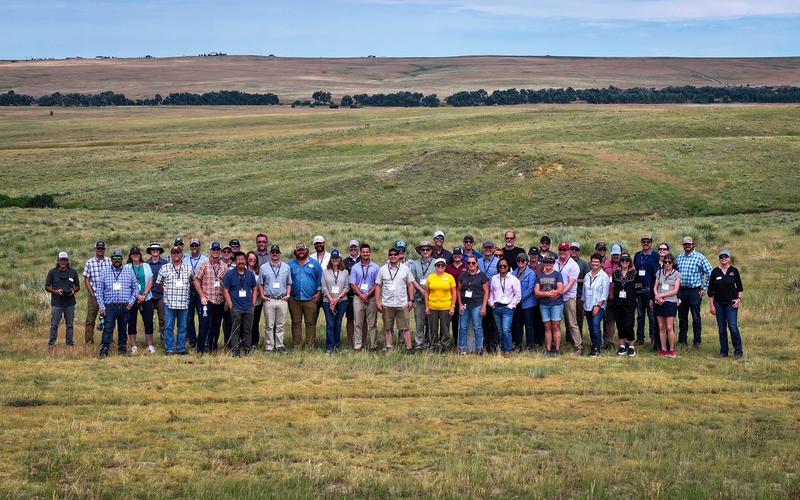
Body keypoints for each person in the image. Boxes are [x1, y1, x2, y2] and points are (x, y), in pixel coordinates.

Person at [95, 249, 139, 358]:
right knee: (108, 328)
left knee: (123, 328)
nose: (117, 260)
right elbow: (99, 291)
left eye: (119, 258)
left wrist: (131, 302)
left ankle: (122, 348)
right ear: (111, 259)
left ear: (122, 259)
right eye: (115, 258)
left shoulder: (129, 271)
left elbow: (136, 288)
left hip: (125, 306)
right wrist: (101, 306)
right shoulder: (105, 272)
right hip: (110, 307)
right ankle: (104, 349)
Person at [375, 247, 415, 352]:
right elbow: (378, 286)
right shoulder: (382, 269)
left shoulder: (405, 268)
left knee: (405, 327)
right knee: (388, 327)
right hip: (387, 303)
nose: (393, 256)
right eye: (391, 254)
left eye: (395, 254)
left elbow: (410, 284)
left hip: (402, 302)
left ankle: (409, 347)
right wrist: (378, 301)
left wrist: (411, 300)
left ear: (398, 256)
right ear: (388, 256)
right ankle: (389, 347)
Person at [156, 245, 194, 355]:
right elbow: (158, 283)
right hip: (170, 302)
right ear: (171, 255)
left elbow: (193, 282)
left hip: (183, 302)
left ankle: (181, 348)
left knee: (182, 327)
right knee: (169, 327)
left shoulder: (188, 267)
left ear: (182, 254)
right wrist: (166, 291)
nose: (176, 255)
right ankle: (170, 349)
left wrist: (186, 290)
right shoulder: (165, 268)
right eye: (174, 253)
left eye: (178, 253)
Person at [676, 236, 713, 348]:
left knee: (696, 317)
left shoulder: (700, 257)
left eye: (689, 244)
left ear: (693, 245)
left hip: (695, 291)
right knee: (682, 317)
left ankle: (697, 341)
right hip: (682, 291)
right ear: (683, 245)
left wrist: (704, 288)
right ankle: (682, 340)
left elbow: (710, 272)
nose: (687, 246)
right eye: (685, 244)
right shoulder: (679, 258)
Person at [708, 249, 744, 359]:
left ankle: (738, 351)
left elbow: (740, 288)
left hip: (731, 304)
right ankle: (724, 351)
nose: (723, 259)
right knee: (722, 328)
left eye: (725, 257)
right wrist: (711, 305)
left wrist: (738, 299)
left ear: (729, 258)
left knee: (733, 327)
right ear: (719, 259)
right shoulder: (715, 272)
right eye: (721, 257)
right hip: (718, 304)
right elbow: (710, 291)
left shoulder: (734, 271)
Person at [222, 251, 258, 356]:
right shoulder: (230, 274)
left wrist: (253, 302)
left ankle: (247, 349)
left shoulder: (250, 274)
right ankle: (235, 351)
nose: (241, 262)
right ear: (235, 261)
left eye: (242, 259)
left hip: (248, 307)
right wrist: (230, 304)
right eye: (238, 260)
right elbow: (225, 290)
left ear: (245, 261)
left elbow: (255, 289)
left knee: (248, 329)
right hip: (236, 307)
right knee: (235, 330)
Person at [194, 242, 227, 354]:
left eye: (218, 250)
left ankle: (212, 347)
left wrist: (226, 300)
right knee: (204, 324)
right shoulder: (204, 264)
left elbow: (226, 284)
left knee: (216, 326)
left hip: (220, 301)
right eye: (214, 250)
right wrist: (202, 296)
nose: (216, 252)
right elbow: (196, 280)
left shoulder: (224, 266)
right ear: (210, 251)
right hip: (207, 300)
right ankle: (200, 349)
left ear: (220, 252)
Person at [288, 242, 323, 350]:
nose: (301, 252)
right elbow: (287, 281)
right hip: (294, 299)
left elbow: (320, 279)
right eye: (299, 250)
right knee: (296, 323)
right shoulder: (290, 265)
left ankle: (310, 347)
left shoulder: (315, 264)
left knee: (310, 323)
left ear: (306, 250)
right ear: (295, 252)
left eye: (303, 250)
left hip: (311, 299)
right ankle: (297, 346)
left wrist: (319, 293)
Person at [259, 244, 292, 353]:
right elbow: (260, 284)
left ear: (280, 253)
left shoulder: (286, 267)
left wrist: (287, 295)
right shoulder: (263, 267)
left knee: (280, 325)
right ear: (270, 254)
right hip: (269, 300)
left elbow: (289, 283)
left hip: (282, 299)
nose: (275, 254)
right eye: (273, 252)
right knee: (269, 325)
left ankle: (279, 346)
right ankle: (269, 347)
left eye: (277, 252)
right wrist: (263, 296)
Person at [45, 251, 80, 350]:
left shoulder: (73, 272)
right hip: (57, 303)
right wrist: (55, 292)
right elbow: (47, 287)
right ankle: (52, 344)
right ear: (58, 260)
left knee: (69, 325)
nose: (63, 262)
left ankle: (70, 344)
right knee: (54, 325)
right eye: (61, 260)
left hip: (70, 303)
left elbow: (78, 286)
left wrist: (73, 291)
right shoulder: (52, 272)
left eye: (65, 260)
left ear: (68, 261)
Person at [349, 243, 380, 351]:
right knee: (358, 323)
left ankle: (374, 345)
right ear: (360, 253)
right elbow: (353, 284)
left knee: (372, 324)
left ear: (370, 253)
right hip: (358, 298)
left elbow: (377, 284)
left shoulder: (376, 267)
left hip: (371, 298)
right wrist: (362, 295)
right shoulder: (355, 267)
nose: (365, 254)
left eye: (367, 252)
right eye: (363, 252)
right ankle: (358, 346)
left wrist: (368, 295)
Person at [456, 255, 489, 355]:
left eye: (473, 263)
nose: (471, 265)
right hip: (465, 305)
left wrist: (484, 306)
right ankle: (462, 349)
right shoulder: (463, 275)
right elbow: (458, 290)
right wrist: (460, 304)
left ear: (477, 263)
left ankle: (479, 349)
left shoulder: (482, 275)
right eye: (469, 263)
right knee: (463, 327)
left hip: (477, 305)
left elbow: (486, 291)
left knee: (477, 327)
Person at [488, 258, 521, 357]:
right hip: (497, 307)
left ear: (508, 267)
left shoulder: (513, 279)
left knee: (506, 329)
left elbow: (518, 295)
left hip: (507, 307)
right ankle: (503, 349)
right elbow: (491, 292)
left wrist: (511, 306)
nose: (502, 267)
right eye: (500, 266)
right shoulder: (494, 278)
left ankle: (508, 350)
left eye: (504, 266)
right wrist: (491, 303)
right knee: (500, 330)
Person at [125, 246, 154, 355]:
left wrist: (144, 294)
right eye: (133, 254)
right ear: (130, 256)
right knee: (131, 322)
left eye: (137, 254)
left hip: (146, 297)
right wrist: (137, 296)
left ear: (140, 255)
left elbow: (151, 280)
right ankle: (133, 346)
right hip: (132, 299)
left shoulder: (146, 266)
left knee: (148, 321)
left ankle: (150, 345)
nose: (136, 256)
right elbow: (126, 283)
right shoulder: (127, 267)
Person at [535, 253, 565, 356]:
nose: (548, 264)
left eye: (551, 262)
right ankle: (548, 349)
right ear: (543, 263)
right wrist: (547, 294)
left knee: (556, 326)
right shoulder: (539, 275)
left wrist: (549, 293)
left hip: (556, 303)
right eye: (546, 262)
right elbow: (536, 291)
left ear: (553, 263)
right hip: (544, 304)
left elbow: (561, 289)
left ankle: (557, 349)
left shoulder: (557, 274)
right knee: (547, 326)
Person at [424, 258, 457, 352]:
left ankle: (445, 347)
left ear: (445, 266)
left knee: (445, 329)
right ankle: (434, 347)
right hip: (432, 307)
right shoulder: (430, 277)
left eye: (442, 265)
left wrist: (452, 306)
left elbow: (454, 293)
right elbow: (426, 293)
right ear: (435, 266)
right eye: (438, 265)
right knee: (433, 329)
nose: (440, 267)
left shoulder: (450, 277)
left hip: (445, 307)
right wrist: (427, 306)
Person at [321, 249, 350, 354]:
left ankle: (336, 345)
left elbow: (347, 287)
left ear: (340, 259)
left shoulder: (345, 272)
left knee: (338, 323)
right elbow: (323, 287)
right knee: (330, 324)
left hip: (342, 301)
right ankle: (329, 347)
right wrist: (331, 300)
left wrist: (337, 299)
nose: (335, 260)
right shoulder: (325, 272)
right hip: (327, 301)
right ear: (330, 259)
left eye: (337, 258)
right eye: (333, 258)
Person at [634, 233, 660, 350]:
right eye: (644, 241)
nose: (646, 244)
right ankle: (640, 338)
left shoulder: (655, 256)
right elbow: (636, 272)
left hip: (651, 288)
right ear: (641, 242)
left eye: (648, 242)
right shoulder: (637, 255)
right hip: (639, 288)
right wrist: (635, 291)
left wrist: (654, 293)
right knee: (640, 316)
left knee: (652, 316)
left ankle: (654, 338)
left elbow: (657, 275)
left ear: (651, 243)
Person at [82, 240, 111, 344]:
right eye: (98, 248)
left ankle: (108, 341)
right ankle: (89, 341)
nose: (100, 250)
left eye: (102, 248)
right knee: (90, 319)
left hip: (107, 295)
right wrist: (92, 293)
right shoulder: (90, 262)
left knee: (109, 319)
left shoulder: (109, 261)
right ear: (96, 249)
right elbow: (86, 279)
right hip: (94, 295)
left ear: (104, 250)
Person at [555, 243, 581, 355]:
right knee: (555, 323)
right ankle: (556, 346)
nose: (562, 252)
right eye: (560, 249)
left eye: (564, 250)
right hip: (555, 297)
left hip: (568, 297)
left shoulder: (573, 265)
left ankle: (578, 346)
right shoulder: (555, 263)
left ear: (569, 251)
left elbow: (570, 284)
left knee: (572, 323)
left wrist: (559, 293)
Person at [611, 253, 639, 357]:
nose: (624, 262)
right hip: (618, 303)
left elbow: (638, 288)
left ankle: (631, 346)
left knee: (628, 324)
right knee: (620, 324)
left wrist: (634, 298)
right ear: (620, 262)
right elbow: (614, 286)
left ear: (630, 262)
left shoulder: (634, 273)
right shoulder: (615, 273)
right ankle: (622, 345)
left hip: (630, 303)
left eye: (627, 260)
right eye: (622, 260)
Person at [654, 253, 681, 358]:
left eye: (669, 262)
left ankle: (672, 349)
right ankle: (663, 349)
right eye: (665, 262)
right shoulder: (659, 272)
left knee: (669, 327)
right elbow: (655, 287)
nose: (667, 264)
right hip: (659, 302)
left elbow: (675, 290)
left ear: (673, 263)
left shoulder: (676, 274)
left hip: (670, 302)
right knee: (661, 327)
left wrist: (661, 295)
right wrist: (657, 296)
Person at [583, 253, 610, 357]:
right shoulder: (587, 275)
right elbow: (585, 293)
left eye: (597, 262)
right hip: (588, 305)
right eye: (593, 261)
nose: (594, 263)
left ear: (601, 263)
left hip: (598, 306)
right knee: (590, 327)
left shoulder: (604, 277)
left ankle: (597, 348)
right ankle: (594, 344)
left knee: (595, 326)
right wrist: (584, 306)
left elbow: (605, 294)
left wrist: (598, 306)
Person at [410, 240, 436, 349]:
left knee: (431, 322)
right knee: (419, 322)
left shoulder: (436, 263)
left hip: (432, 298)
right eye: (423, 249)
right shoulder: (415, 264)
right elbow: (412, 280)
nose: (425, 251)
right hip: (419, 298)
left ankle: (431, 343)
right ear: (420, 251)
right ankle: (419, 344)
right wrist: (421, 291)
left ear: (431, 251)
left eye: (427, 249)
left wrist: (428, 292)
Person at [184, 238, 208, 350]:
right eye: (192, 245)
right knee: (189, 317)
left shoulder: (205, 259)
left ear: (199, 246)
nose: (194, 247)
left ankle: (202, 341)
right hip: (188, 291)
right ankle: (192, 341)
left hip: (200, 291)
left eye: (196, 245)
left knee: (202, 316)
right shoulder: (185, 259)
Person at [511, 252, 537, 351]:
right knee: (518, 325)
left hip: (528, 304)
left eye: (523, 260)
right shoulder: (513, 273)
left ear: (527, 261)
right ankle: (518, 344)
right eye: (519, 260)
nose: (520, 262)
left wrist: (519, 299)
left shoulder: (531, 273)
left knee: (529, 325)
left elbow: (530, 289)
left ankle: (530, 345)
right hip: (516, 304)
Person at [478, 241, 500, 352]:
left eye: (490, 248)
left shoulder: (498, 262)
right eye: (486, 247)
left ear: (493, 249)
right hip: (481, 296)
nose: (488, 249)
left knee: (494, 322)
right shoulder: (478, 262)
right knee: (483, 322)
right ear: (482, 248)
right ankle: (484, 343)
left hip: (495, 296)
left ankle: (493, 345)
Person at [146, 242, 167, 350]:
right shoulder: (146, 264)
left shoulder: (165, 263)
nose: (155, 252)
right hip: (149, 295)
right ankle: (150, 342)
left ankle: (164, 340)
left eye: (157, 250)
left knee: (163, 319)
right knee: (148, 319)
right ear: (150, 251)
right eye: (153, 250)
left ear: (160, 252)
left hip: (161, 295)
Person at [602, 244, 622, 349]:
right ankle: (610, 342)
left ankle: (623, 341)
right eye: (614, 254)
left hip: (621, 297)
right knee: (610, 320)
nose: (616, 256)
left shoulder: (625, 263)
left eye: (617, 254)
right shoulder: (606, 264)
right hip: (609, 296)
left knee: (622, 320)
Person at [445, 247, 467, 345]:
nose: (457, 256)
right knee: (454, 322)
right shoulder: (448, 268)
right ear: (452, 255)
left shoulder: (466, 266)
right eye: (455, 254)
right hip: (451, 298)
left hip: (464, 298)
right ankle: (455, 342)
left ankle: (463, 343)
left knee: (464, 322)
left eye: (459, 254)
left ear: (462, 255)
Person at [570, 242, 591, 339]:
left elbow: (588, 279)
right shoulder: (565, 262)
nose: (574, 251)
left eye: (576, 249)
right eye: (572, 249)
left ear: (579, 252)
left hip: (579, 295)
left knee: (579, 318)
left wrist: (575, 280)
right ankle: (569, 338)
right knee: (568, 319)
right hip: (568, 295)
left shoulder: (583, 264)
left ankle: (579, 338)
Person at [343, 240, 361, 349]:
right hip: (349, 294)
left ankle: (361, 341)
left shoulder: (363, 259)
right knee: (350, 319)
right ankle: (350, 342)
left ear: (358, 248)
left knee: (361, 320)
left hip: (362, 294)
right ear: (349, 249)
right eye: (351, 248)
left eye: (355, 247)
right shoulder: (344, 262)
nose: (353, 249)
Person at [246, 251, 263, 350]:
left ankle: (254, 343)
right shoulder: (242, 270)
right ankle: (244, 342)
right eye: (250, 259)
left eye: (254, 259)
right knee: (245, 323)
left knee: (254, 323)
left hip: (257, 302)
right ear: (247, 259)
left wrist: (255, 298)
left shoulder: (258, 272)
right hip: (245, 302)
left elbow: (261, 286)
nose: (252, 261)